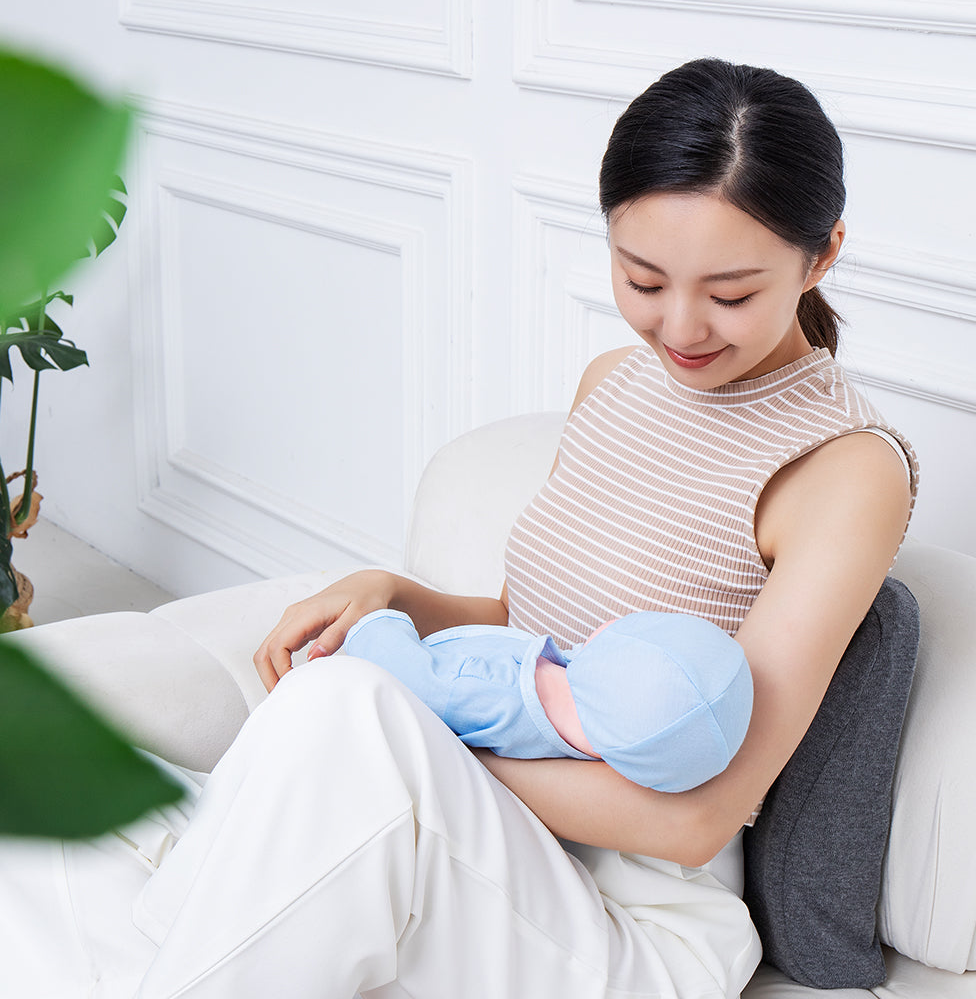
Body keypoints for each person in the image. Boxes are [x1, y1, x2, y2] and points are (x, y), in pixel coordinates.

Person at [2, 57, 917, 999]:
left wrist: (414, 734)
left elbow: (698, 819)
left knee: (339, 712)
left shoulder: (846, 469)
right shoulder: (615, 384)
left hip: (636, 910)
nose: (680, 326)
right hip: (487, 832)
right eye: (643, 278)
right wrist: (396, 596)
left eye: (731, 294)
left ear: (823, 254)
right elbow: (540, 642)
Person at [339, 607, 754, 792]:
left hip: (356, 710)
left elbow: (403, 674)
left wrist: (378, 621)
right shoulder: (612, 739)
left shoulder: (489, 690)